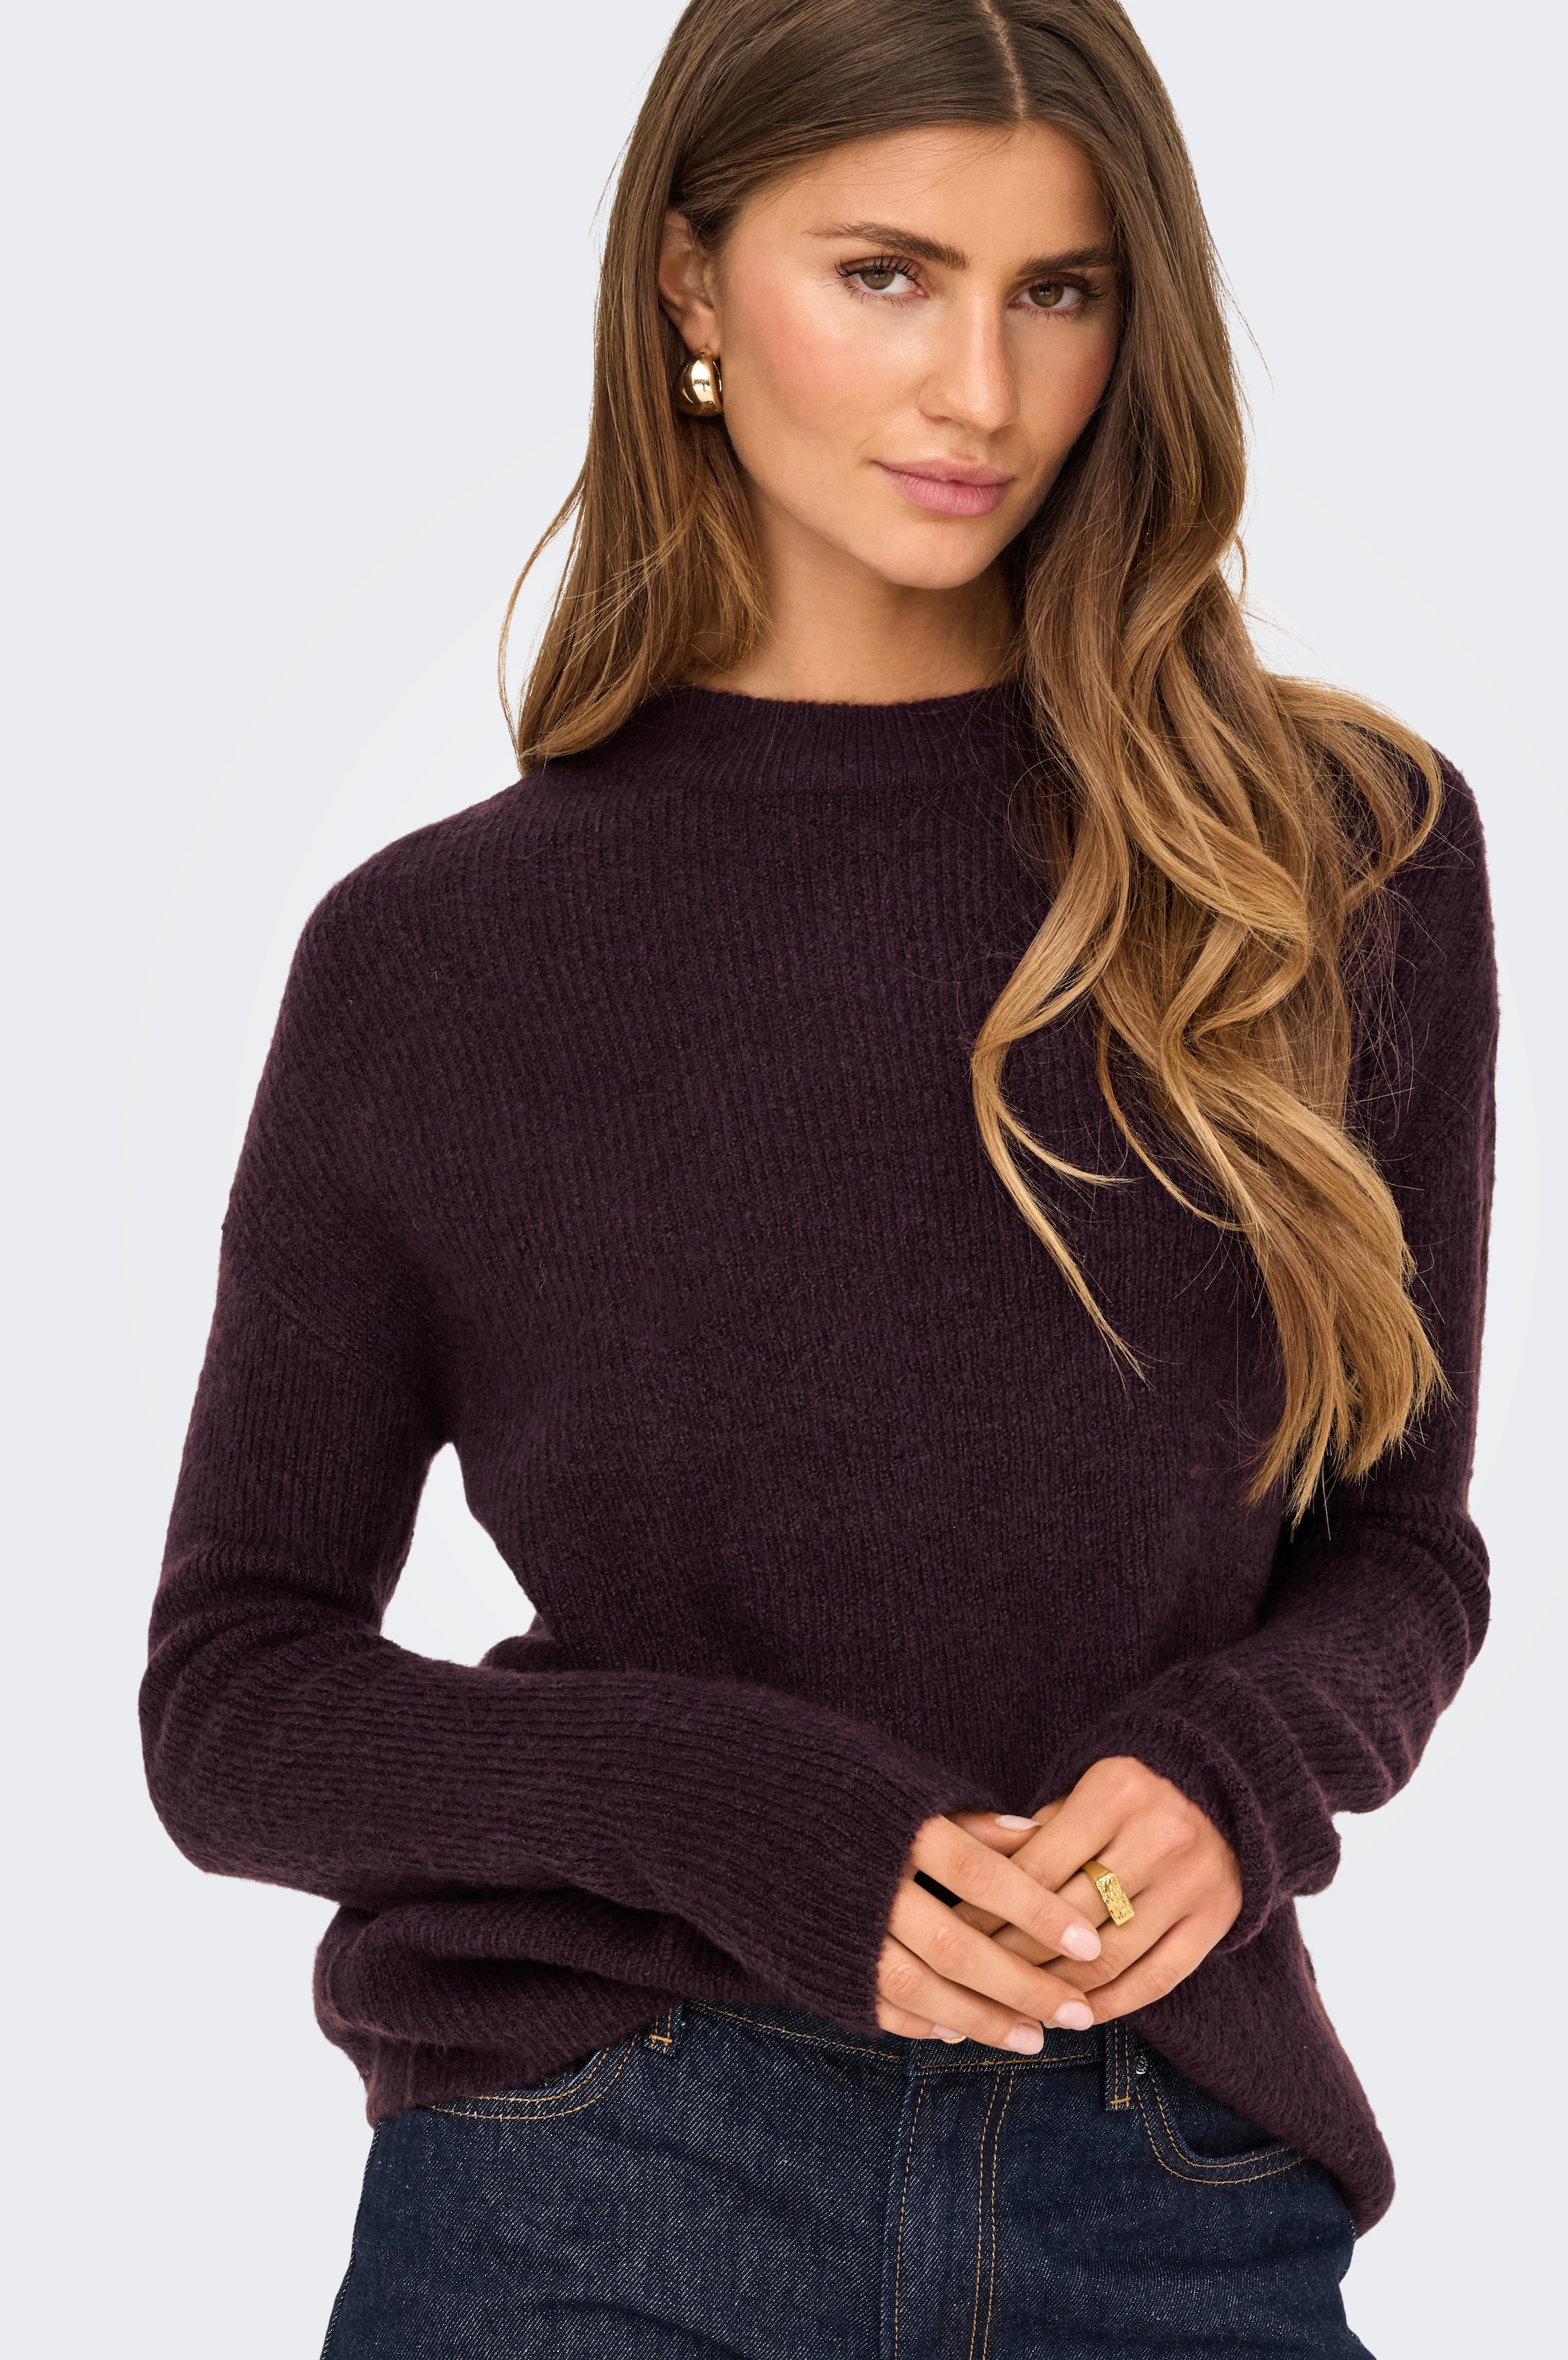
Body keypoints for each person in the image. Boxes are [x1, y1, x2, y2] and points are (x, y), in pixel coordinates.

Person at [141, 1, 1497, 2351]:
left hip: (1166, 2171)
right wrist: (729, 1810)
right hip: (595, 2180)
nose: (982, 389)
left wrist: (1232, 1769)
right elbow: (236, 1701)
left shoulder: (1331, 861)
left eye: (1060, 292)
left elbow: (1399, 1546)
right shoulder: (439, 957)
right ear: (691, 282)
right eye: (885, 275)